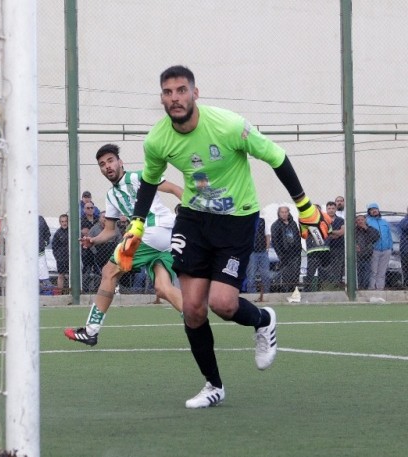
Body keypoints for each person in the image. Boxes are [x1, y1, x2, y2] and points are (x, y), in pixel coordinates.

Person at [124, 65, 329, 408]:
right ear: (162, 97)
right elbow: (149, 179)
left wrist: (304, 206)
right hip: (193, 219)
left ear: (195, 93)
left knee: (222, 304)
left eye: (181, 90)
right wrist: (137, 222)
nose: (175, 98)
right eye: (168, 92)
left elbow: (277, 157)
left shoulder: (229, 125)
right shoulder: (157, 139)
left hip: (236, 219)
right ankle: (213, 385)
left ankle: (264, 320)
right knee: (191, 308)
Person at [65, 143, 184, 346]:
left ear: (121, 162)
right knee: (163, 288)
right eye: (102, 164)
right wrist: (93, 240)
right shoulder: (111, 196)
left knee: (109, 271)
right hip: (160, 241)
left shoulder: (138, 177)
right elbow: (109, 231)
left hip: (153, 231)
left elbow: (173, 188)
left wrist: (195, 213)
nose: (107, 167)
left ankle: (91, 330)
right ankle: (194, 318)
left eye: (110, 161)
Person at [270, 206, 302, 292]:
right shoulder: (275, 225)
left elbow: (298, 237)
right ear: (279, 213)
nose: (284, 214)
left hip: (295, 253)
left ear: (288, 213)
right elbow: (275, 242)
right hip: (284, 254)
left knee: (295, 274)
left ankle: (294, 292)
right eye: (282, 212)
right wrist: (281, 256)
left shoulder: (293, 223)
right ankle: (286, 293)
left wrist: (299, 250)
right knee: (286, 275)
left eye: (286, 212)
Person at [366, 203, 392, 290]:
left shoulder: (384, 222)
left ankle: (380, 288)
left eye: (375, 209)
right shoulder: (368, 222)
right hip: (374, 249)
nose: (374, 211)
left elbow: (389, 235)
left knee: (382, 271)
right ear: (369, 212)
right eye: (371, 209)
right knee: (373, 271)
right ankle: (372, 288)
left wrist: (390, 247)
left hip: (386, 250)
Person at [245, 216, 270, 301]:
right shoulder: (246, 220)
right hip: (252, 252)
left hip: (263, 251)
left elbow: (267, 234)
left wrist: (267, 247)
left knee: (265, 275)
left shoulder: (262, 221)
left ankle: (266, 295)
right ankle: (252, 295)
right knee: (251, 275)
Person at [323, 201, 345, 289]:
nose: (331, 210)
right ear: (326, 209)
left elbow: (342, 232)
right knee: (326, 268)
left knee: (338, 268)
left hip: (338, 247)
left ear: (335, 209)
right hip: (326, 247)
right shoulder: (322, 219)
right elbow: (323, 232)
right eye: (329, 208)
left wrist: (330, 232)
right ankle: (326, 286)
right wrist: (334, 233)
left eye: (333, 208)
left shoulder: (340, 220)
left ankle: (337, 286)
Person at [354, 214, 379, 290]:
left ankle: (365, 287)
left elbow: (375, 237)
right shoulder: (354, 230)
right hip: (357, 256)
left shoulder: (371, 229)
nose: (360, 221)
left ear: (365, 220)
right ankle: (358, 287)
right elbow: (350, 239)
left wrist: (366, 229)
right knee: (358, 272)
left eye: (362, 219)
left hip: (368, 255)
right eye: (358, 220)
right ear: (356, 222)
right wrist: (354, 245)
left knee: (367, 272)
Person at [51, 214, 70, 292]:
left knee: (71, 276)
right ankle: (60, 293)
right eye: (62, 221)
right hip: (61, 259)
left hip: (71, 257)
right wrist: (58, 257)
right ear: (60, 222)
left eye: (66, 221)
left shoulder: (72, 231)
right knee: (61, 275)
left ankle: (71, 291)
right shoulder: (58, 233)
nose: (64, 223)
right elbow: (54, 247)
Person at [38, 215, 53, 295]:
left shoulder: (40, 219)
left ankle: (47, 294)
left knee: (44, 277)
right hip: (26, 256)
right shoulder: (21, 218)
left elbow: (47, 233)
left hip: (40, 253)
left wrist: (44, 243)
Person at [399, 208, 408, 288]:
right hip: (406, 250)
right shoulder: (404, 221)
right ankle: (406, 283)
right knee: (405, 268)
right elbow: (405, 227)